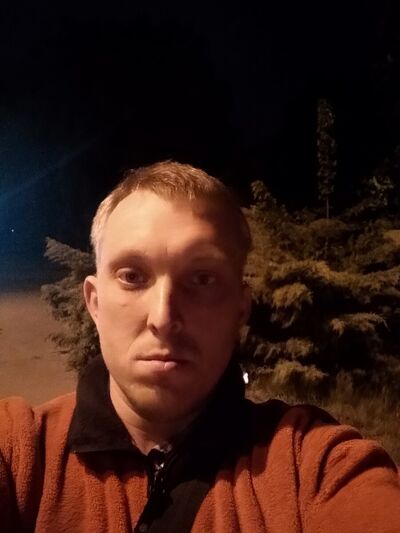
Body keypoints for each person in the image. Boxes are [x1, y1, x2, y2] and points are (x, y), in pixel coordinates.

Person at [1, 160, 399, 532]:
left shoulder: (313, 466)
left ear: (240, 308)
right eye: (132, 276)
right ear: (95, 302)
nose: (162, 317)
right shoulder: (22, 452)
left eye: (202, 279)